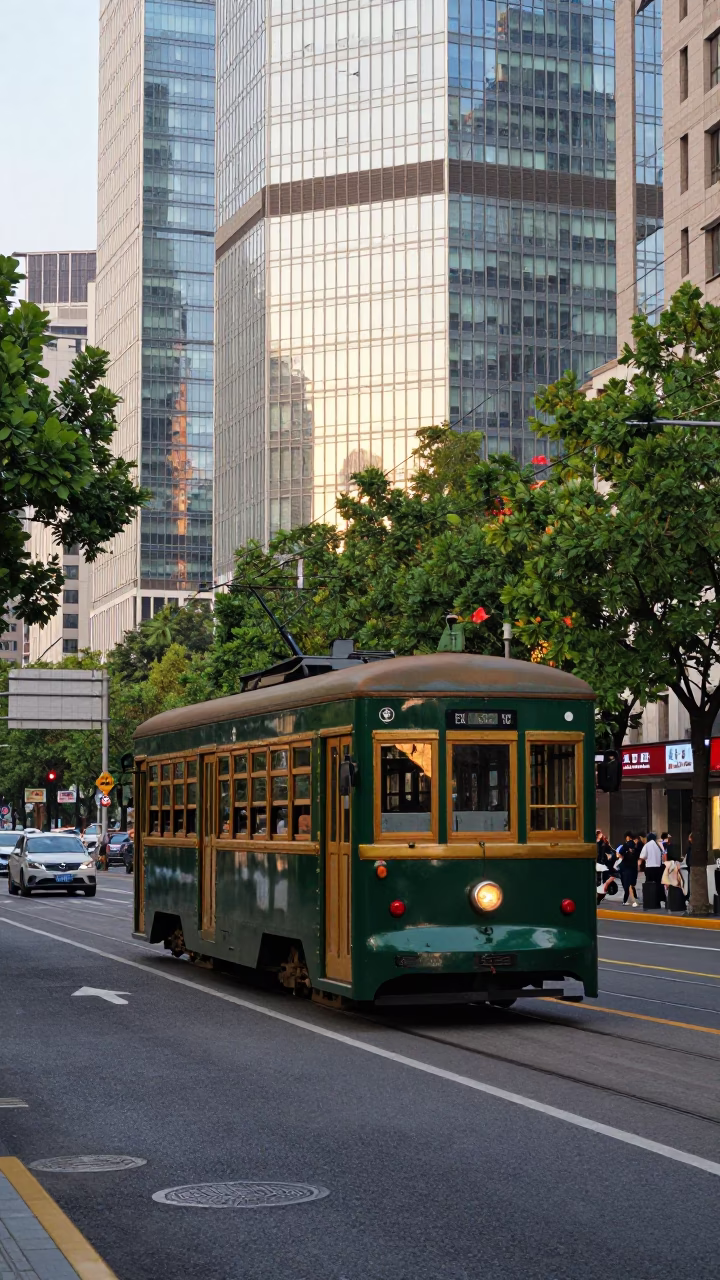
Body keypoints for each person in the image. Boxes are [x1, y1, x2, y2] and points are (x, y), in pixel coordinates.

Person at [616, 830, 640, 906]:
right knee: (632, 884)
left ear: (627, 837)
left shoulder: (626, 845)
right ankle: (633, 899)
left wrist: (623, 857)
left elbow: (619, 854)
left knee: (626, 884)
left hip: (626, 867)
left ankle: (627, 900)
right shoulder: (637, 846)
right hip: (633, 866)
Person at [640, 831, 665, 904]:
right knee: (658, 883)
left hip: (650, 868)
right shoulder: (658, 845)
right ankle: (660, 898)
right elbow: (663, 855)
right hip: (658, 867)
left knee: (649, 884)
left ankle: (650, 898)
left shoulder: (647, 845)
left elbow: (643, 856)